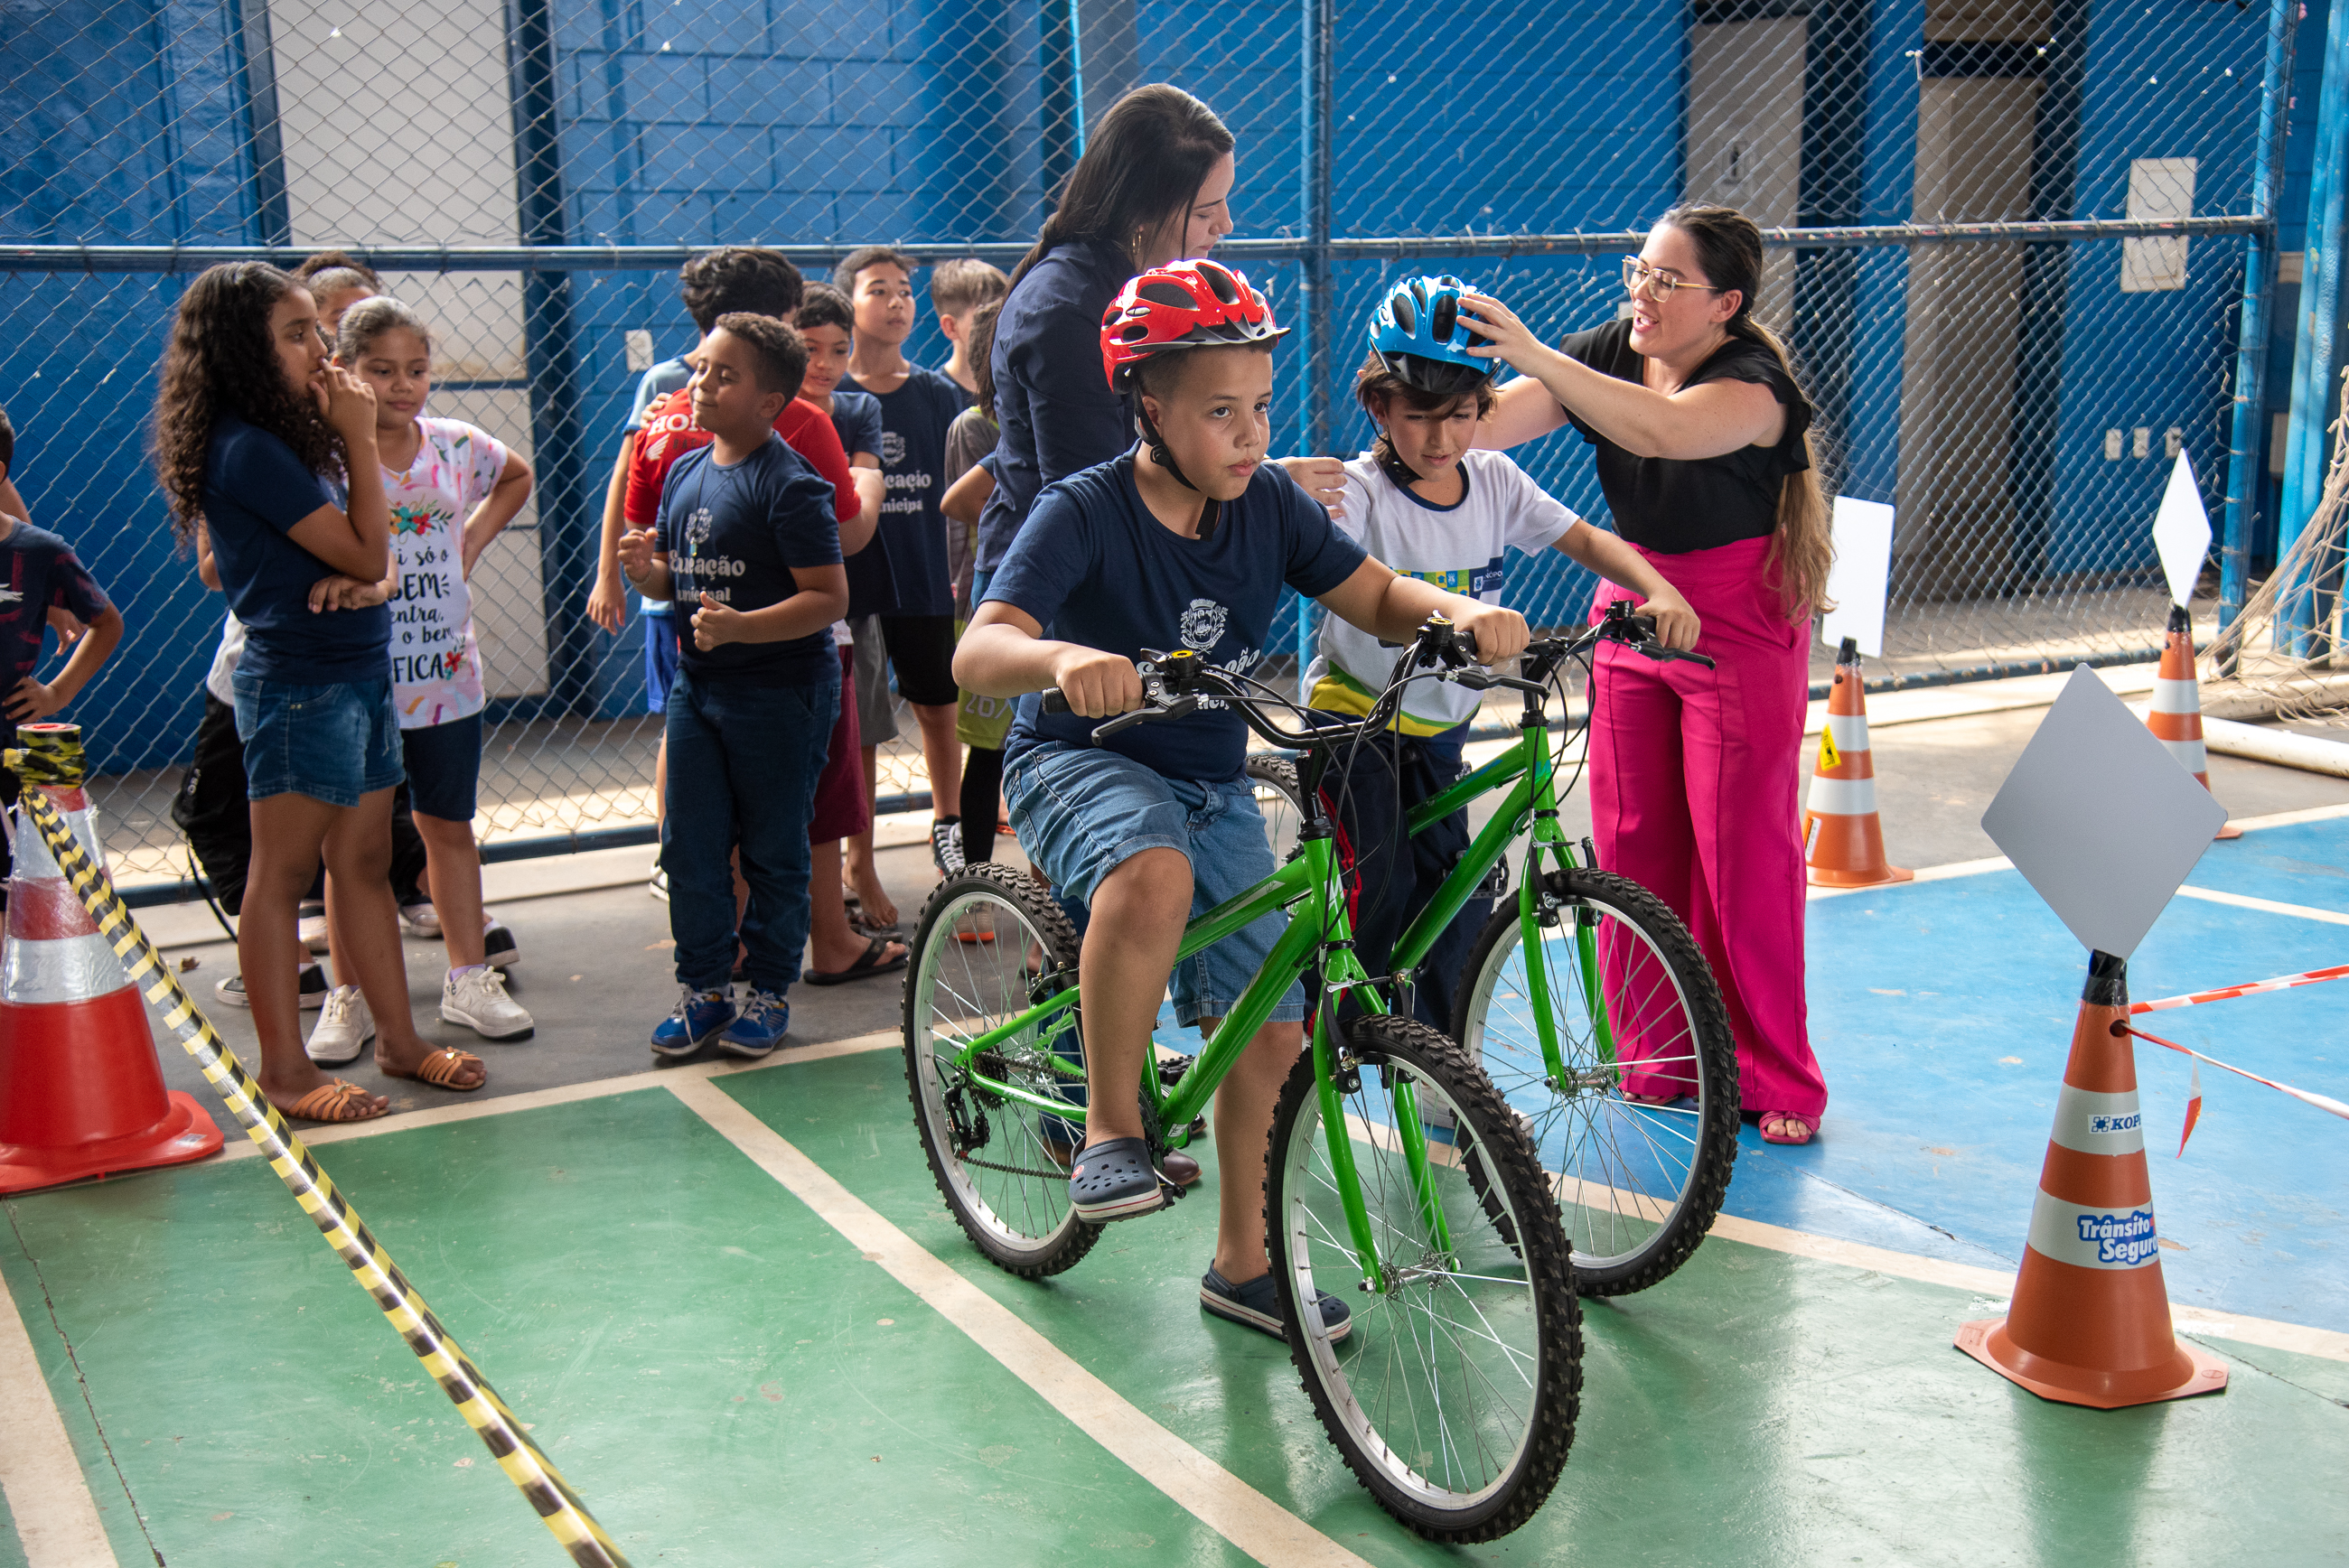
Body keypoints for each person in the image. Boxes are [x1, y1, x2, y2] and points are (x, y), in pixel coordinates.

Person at [955, 260, 1530, 1340]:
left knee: (1271, 1026)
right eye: (1219, 412)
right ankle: (1109, 1129)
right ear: (1147, 409)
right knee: (1149, 871)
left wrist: (1452, 611)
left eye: (1259, 407)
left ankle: (1244, 1264)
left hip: (1208, 775)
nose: (1249, 434)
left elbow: (1368, 591)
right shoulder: (1082, 510)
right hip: (1078, 760)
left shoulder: (1265, 504)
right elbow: (980, 651)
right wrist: (1064, 658)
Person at [1460, 203, 1834, 1145]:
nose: (1643, 293)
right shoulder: (1610, 352)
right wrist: (1429, 395)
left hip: (1735, 622)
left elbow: (1661, 431)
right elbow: (1490, 426)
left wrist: (1537, 352)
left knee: (1740, 854)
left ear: (1725, 304)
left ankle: (1771, 1072)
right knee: (1630, 839)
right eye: (1639, 270)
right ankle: (1654, 1053)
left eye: (1668, 281)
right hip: (1633, 602)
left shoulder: (1753, 387)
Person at [966, 83, 1347, 881]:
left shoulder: (1101, 285)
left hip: (1121, 598)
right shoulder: (1073, 305)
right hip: (1064, 599)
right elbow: (1105, 487)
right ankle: (1075, 984)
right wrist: (1259, 477)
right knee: (1112, 860)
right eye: (1209, 211)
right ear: (1150, 208)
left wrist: (1254, 476)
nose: (1225, 229)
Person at [1306, 276, 1699, 1031]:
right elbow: (1351, 572)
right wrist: (1464, 611)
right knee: (1377, 888)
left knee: (1458, 898)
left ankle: (1445, 1066)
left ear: (1485, 408)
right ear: (1378, 408)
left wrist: (1659, 590)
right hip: (1356, 719)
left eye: (1459, 416)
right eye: (1417, 417)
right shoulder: (1359, 492)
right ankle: (1342, 1035)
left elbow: (1585, 538)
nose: (1439, 438)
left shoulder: (1493, 480)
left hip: (1440, 729)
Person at [152, 262, 486, 1122]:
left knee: (366, 863)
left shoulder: (288, 433)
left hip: (356, 670)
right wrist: (362, 442)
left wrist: (363, 579)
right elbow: (370, 552)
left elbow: (358, 568)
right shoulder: (250, 446)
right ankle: (287, 1074)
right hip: (301, 683)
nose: (318, 347)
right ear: (243, 352)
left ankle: (401, 1043)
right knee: (282, 874)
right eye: (298, 333)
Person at [298, 296, 537, 1060]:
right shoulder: (323, 458)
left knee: (447, 826)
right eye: (381, 371)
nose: (402, 386)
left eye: (417, 371)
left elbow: (517, 474)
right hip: (360, 673)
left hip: (445, 672)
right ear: (345, 371)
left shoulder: (456, 446)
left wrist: (467, 541)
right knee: (351, 848)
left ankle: (470, 979)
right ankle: (351, 992)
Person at [616, 315, 848, 1057]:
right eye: (702, 370)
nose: (703, 385)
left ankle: (768, 992)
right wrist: (644, 573)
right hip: (700, 686)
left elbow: (828, 598)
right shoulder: (687, 470)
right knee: (689, 843)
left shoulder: (790, 485)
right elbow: (677, 579)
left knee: (775, 850)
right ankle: (705, 990)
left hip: (780, 694)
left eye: (725, 375)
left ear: (770, 401)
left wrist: (743, 626)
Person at [587, 248, 806, 901]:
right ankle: (674, 852)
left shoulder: (778, 403)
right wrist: (610, 572)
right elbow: (627, 478)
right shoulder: (662, 384)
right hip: (675, 590)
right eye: (790, 316)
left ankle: (742, 870)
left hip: (751, 590)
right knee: (686, 727)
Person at [833, 246, 969, 891]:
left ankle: (953, 839)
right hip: (859, 592)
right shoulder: (832, 400)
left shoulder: (939, 394)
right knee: (859, 727)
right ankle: (860, 861)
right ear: (848, 305)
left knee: (939, 713)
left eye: (905, 292)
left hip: (925, 583)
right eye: (878, 290)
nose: (895, 303)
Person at [0, 438, 126, 894]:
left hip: (8, 744)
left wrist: (56, 693)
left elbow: (107, 624)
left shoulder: (38, 554)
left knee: (18, 884)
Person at [929, 257, 1009, 395]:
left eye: (1005, 311)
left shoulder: (1015, 388)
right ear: (951, 327)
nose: (1000, 322)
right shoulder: (934, 396)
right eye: (987, 315)